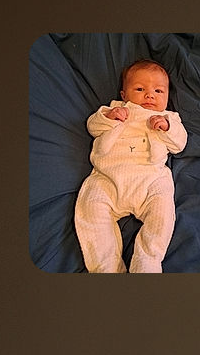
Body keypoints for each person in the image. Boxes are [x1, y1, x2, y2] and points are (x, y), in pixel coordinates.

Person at [73, 60, 188, 273]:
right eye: (140, 89)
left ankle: (148, 261)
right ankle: (106, 266)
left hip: (150, 180)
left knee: (162, 214)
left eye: (158, 90)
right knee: (91, 209)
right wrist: (108, 118)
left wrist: (167, 128)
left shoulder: (169, 118)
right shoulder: (114, 109)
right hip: (108, 177)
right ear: (124, 95)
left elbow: (179, 144)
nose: (150, 95)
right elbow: (93, 126)